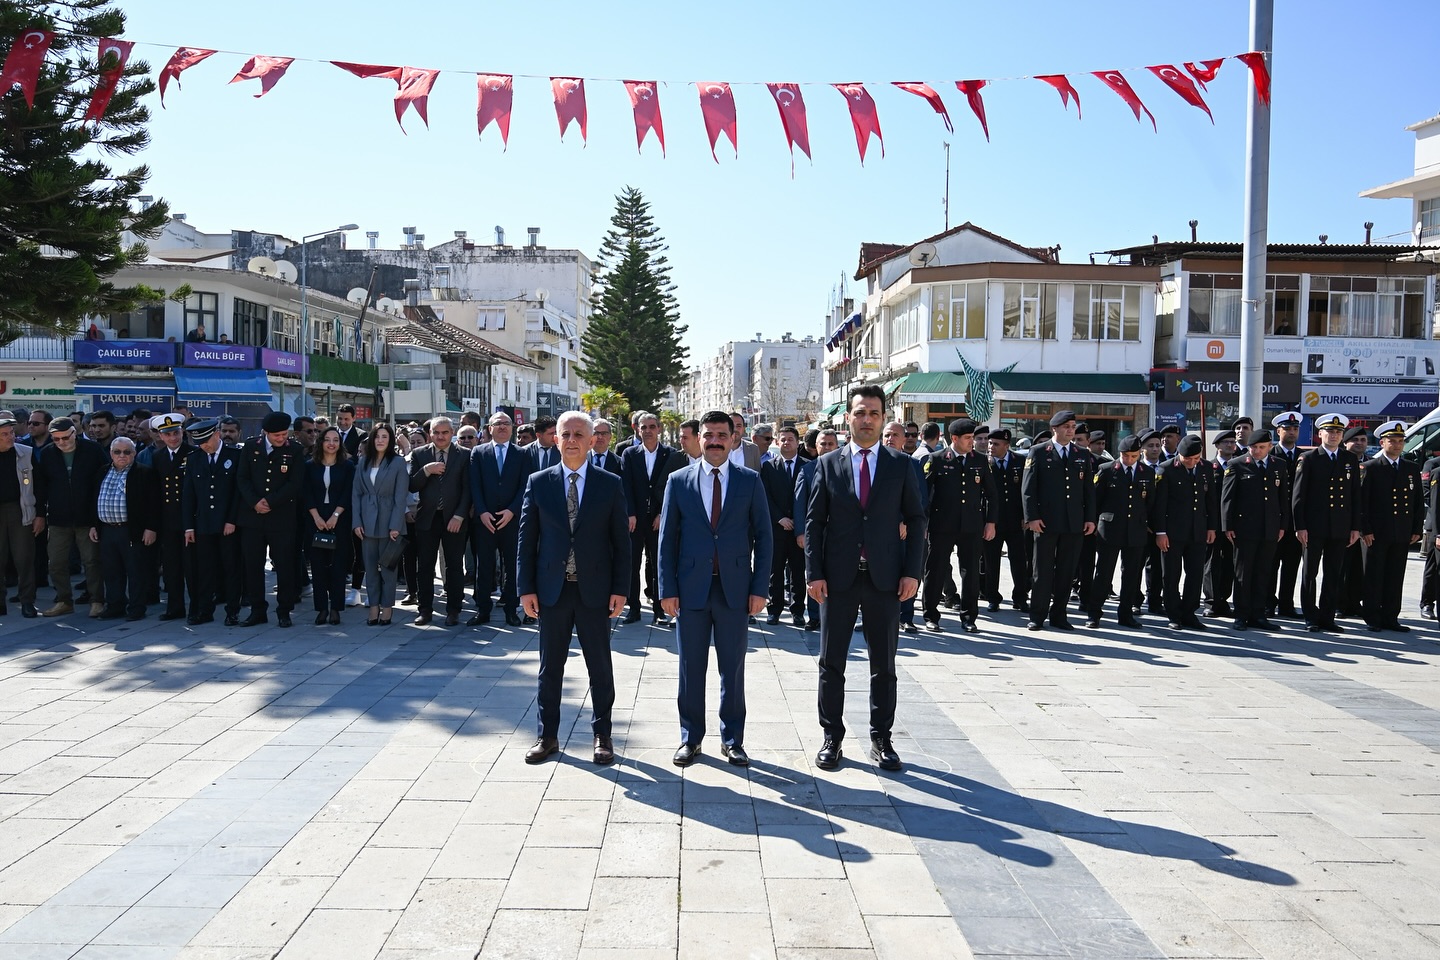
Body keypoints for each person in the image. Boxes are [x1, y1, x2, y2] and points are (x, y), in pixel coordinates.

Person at [806, 386, 926, 772]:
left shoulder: (900, 465)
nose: (867, 419)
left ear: (883, 417)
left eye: (874, 413)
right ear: (848, 418)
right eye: (860, 413)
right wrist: (814, 573)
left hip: (885, 579)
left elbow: (917, 519)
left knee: (884, 665)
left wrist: (912, 572)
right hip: (838, 579)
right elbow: (814, 523)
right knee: (831, 663)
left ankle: (882, 737)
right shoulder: (828, 464)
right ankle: (832, 736)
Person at [518, 411, 631, 765]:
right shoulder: (539, 482)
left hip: (594, 590)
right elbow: (526, 540)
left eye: (579, 434)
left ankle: (602, 735)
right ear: (556, 439)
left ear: (592, 440)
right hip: (552, 591)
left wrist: (621, 589)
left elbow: (621, 543)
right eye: (565, 434)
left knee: (600, 667)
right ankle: (547, 736)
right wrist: (525, 588)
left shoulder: (609, 484)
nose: (571, 440)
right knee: (550, 667)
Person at [660, 410, 771, 767]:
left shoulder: (749, 481)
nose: (715, 441)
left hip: (734, 590)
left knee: (732, 669)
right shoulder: (678, 481)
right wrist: (666, 588)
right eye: (708, 435)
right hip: (690, 590)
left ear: (734, 438)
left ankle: (733, 740)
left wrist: (760, 588)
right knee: (690, 668)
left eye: (722, 435)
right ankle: (690, 738)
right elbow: (667, 539)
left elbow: (764, 537)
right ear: (699, 438)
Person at [1021, 410, 1096, 631]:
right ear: (1055, 428)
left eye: (1073, 426)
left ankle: (1059, 615)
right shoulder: (1038, 452)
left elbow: (1088, 490)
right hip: (1046, 522)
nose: (1071, 430)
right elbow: (1028, 489)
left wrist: (1090, 518)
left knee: (1067, 571)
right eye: (1066, 427)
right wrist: (1032, 517)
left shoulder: (1082, 454)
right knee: (1042, 571)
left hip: (1073, 522)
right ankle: (1037, 615)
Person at [922, 418, 996, 633]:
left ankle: (969, 617)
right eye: (968, 438)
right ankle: (931, 615)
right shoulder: (936, 459)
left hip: (971, 526)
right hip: (942, 525)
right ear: (954, 438)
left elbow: (992, 495)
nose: (972, 442)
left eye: (973, 437)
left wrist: (990, 522)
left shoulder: (980, 461)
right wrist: (923, 523)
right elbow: (924, 495)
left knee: (970, 572)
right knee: (935, 570)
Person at [236, 411, 307, 628]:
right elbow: (242, 478)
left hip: (281, 517)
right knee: (253, 565)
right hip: (253, 517)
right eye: (277, 435)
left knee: (285, 565)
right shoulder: (251, 447)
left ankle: (284, 610)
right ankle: (257, 610)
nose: (281, 438)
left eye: (284, 434)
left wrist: (270, 501)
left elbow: (295, 483)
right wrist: (255, 502)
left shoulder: (295, 450)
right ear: (265, 433)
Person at [1293, 413, 1361, 633]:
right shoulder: (1309, 458)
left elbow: (1355, 496)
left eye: (1338, 432)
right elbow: (1298, 496)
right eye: (1330, 431)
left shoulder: (1349, 459)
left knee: (1333, 573)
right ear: (1320, 434)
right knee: (1310, 573)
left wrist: (1355, 527)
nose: (1334, 435)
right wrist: (1300, 526)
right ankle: (1310, 616)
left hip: (1340, 526)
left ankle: (1327, 616)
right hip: (1314, 526)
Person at [34, 418, 106, 618]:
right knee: (56, 562)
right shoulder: (48, 453)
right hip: (58, 517)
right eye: (56, 439)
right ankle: (64, 600)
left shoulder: (93, 450)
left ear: (75, 432)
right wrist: (40, 514)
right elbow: (41, 487)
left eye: (65, 438)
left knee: (91, 561)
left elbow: (104, 479)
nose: (62, 442)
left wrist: (97, 517)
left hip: (87, 517)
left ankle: (97, 600)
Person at [1220, 428, 1290, 631]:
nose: (1257, 451)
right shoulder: (1237, 464)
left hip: (1270, 528)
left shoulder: (1279, 465)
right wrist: (1227, 526)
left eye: (1261, 447)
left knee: (1263, 572)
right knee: (1243, 573)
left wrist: (1283, 525)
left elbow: (1283, 499)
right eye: (1253, 447)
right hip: (1245, 528)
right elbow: (1227, 498)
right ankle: (1241, 615)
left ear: (1270, 447)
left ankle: (1259, 614)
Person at [408, 416, 471, 626]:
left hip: (454, 518)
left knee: (454, 565)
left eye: (445, 432)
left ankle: (454, 610)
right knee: (425, 565)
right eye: (436, 432)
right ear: (430, 434)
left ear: (452, 433)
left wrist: (459, 515)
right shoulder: (420, 454)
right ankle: (425, 609)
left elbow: (468, 489)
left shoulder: (464, 455)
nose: (440, 436)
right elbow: (412, 485)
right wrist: (426, 470)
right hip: (428, 518)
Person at [1360, 421, 1422, 632]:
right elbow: (1363, 503)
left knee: (1395, 576)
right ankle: (1372, 616)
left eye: (1400, 441)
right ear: (1382, 443)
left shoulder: (1411, 468)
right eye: (1392, 441)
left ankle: (1391, 616)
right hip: (1377, 532)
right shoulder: (1371, 468)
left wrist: (1416, 528)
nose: (1397, 445)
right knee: (1374, 575)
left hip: (1401, 530)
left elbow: (1416, 502)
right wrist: (1365, 529)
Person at [1150, 434, 1215, 631]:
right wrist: (1160, 532)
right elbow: (1159, 505)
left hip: (1198, 530)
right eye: (1188, 459)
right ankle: (1173, 614)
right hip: (1173, 532)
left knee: (1195, 573)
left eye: (1196, 458)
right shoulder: (1166, 469)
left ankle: (1189, 613)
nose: (1192, 462)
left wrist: (1211, 527)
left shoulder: (1206, 468)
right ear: (1180, 454)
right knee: (1171, 574)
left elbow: (1211, 500)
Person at [469, 412, 528, 626]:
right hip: (485, 519)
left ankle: (511, 610)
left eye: (506, 423)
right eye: (498, 423)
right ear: (489, 428)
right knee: (484, 566)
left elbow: (525, 486)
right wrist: (482, 511)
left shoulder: (522, 454)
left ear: (512, 428)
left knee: (512, 566)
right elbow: (474, 484)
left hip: (511, 520)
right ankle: (483, 610)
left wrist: (512, 510)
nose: (502, 427)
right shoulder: (478, 452)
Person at [181, 419, 243, 625]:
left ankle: (232, 611)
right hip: (204, 523)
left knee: (231, 568)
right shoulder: (194, 458)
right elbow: (189, 495)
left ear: (216, 435)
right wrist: (189, 526)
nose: (204, 446)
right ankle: (204, 610)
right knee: (205, 569)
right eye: (200, 443)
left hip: (228, 523)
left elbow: (238, 493)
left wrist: (232, 520)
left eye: (206, 441)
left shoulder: (235, 455)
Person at [90, 437, 158, 620]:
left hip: (132, 530)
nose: (122, 455)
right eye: (117, 452)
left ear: (134, 453)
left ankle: (137, 608)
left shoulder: (144, 473)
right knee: (111, 571)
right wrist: (94, 525)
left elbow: (154, 504)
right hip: (107, 529)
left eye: (127, 452)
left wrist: (151, 528)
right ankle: (115, 605)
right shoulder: (102, 471)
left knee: (136, 571)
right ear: (111, 453)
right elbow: (95, 499)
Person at [620, 411, 675, 624]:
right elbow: (626, 485)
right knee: (633, 563)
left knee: (658, 564)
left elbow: (671, 487)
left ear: (659, 429)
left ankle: (659, 609)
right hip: (635, 519)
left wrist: (663, 513)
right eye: (644, 427)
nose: (648, 431)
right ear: (637, 430)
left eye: (652, 426)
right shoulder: (630, 454)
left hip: (658, 519)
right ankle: (634, 608)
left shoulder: (670, 454)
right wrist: (630, 513)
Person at [352, 423, 409, 626]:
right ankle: (373, 606)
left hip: (389, 522)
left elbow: (401, 496)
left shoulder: (398, 462)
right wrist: (356, 522)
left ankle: (387, 608)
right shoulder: (363, 462)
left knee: (388, 569)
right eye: (377, 436)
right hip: (366, 522)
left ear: (390, 440)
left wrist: (396, 525)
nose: (380, 440)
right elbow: (356, 494)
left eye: (385, 436)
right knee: (370, 568)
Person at [143, 413, 193, 621]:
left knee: (192, 567)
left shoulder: (193, 454)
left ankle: (198, 607)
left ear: (182, 432)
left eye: (176, 433)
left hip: (190, 519)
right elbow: (154, 493)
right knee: (171, 567)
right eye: (168, 434)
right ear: (160, 436)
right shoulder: (158, 457)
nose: (173, 438)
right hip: (168, 520)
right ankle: (175, 607)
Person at [305, 426, 355, 625]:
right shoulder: (310, 466)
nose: (332, 444)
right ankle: (321, 608)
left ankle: (335, 608)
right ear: (321, 442)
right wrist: (316, 517)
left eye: (336, 440)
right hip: (315, 518)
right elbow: (306, 493)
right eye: (327, 439)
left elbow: (348, 492)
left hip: (339, 519)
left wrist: (335, 515)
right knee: (317, 566)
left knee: (338, 565)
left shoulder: (347, 466)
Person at [883, 420, 928, 635]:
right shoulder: (872, 463)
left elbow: (920, 499)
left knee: (907, 570)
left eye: (895, 435)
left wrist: (904, 521)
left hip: (903, 531)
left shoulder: (912, 464)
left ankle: (906, 616)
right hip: (878, 531)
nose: (890, 439)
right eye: (887, 435)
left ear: (904, 440)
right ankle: (872, 615)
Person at [761, 425, 807, 627]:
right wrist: (779, 518)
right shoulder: (769, 467)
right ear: (777, 442)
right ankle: (774, 610)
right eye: (783, 439)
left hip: (799, 530)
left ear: (798, 442)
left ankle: (798, 611)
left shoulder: (807, 466)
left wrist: (799, 521)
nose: (786, 443)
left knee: (798, 572)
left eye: (790, 439)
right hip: (777, 528)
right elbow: (765, 496)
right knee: (775, 571)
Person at [793, 428, 839, 631]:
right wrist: (800, 532)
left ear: (837, 446)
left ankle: (836, 614)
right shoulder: (807, 470)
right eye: (823, 444)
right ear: (816, 447)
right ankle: (814, 616)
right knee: (814, 572)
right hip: (815, 533)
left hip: (840, 533)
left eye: (831, 444)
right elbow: (799, 503)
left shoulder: (845, 467)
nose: (827, 447)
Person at [983, 429, 1029, 613]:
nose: (991, 447)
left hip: (1015, 520)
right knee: (991, 561)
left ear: (1007, 446)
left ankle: (1020, 597)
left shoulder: (1020, 461)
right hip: (992, 521)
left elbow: (1026, 490)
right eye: (990, 443)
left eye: (996, 444)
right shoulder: (984, 462)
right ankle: (992, 597)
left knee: (1019, 561)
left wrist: (1026, 516)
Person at [0, 417, 40, 617]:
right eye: (4, 434)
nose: (10, 437)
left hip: (20, 509)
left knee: (24, 558)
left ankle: (27, 601)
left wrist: (40, 514)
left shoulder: (26, 453)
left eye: (12, 433)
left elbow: (39, 485)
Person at [1203, 430, 1239, 617]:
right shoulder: (1209, 467)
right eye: (1226, 442)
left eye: (1233, 442)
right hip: (1213, 524)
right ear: (1217, 445)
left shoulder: (1239, 466)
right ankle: (1211, 602)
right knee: (1211, 563)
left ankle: (1223, 599)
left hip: (1233, 524)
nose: (1230, 445)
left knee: (1229, 564)